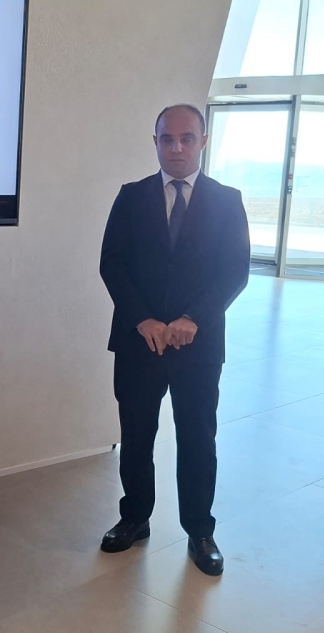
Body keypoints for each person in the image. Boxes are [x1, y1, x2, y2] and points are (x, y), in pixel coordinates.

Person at [98, 104, 249, 576]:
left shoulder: (227, 201)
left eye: (187, 138)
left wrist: (193, 318)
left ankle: (200, 531)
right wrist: (142, 319)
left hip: (197, 346)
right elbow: (112, 264)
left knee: (198, 437)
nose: (177, 147)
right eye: (167, 138)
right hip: (138, 342)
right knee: (136, 435)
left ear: (203, 141)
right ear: (156, 142)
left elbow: (234, 272)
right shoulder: (131, 196)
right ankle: (134, 518)